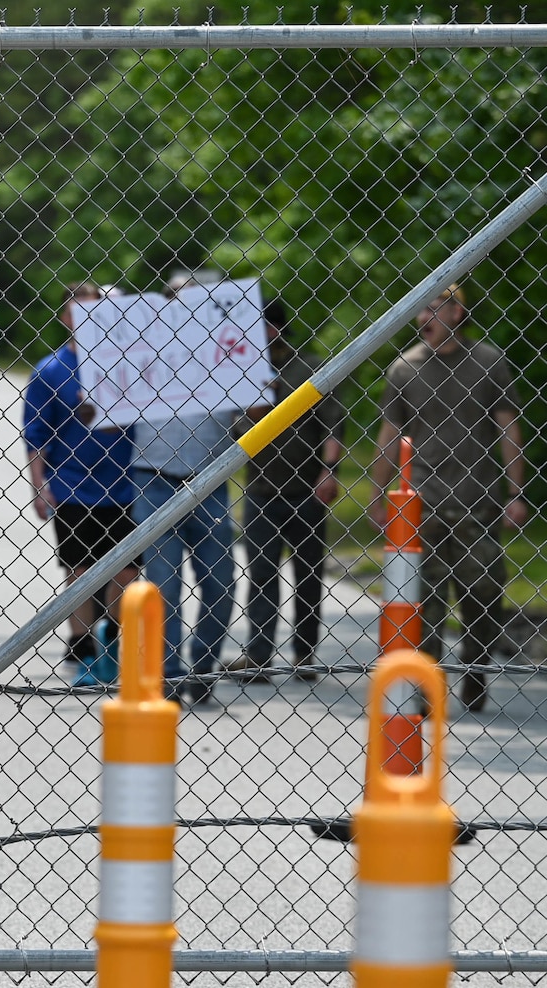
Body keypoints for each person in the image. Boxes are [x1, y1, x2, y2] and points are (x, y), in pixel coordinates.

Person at [367, 282, 525, 713]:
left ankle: (475, 671)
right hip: (423, 504)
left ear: (457, 312)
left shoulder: (488, 362)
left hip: (478, 502)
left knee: (484, 594)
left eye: (433, 309)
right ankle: (427, 687)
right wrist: (378, 495)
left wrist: (515, 491)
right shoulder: (404, 369)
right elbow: (389, 437)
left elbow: (508, 427)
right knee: (427, 602)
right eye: (420, 312)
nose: (423, 319)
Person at [127, 274, 239, 705]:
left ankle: (204, 667)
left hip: (210, 482)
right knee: (164, 585)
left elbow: (248, 420)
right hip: (152, 479)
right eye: (174, 296)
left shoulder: (229, 352)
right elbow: (108, 403)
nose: (183, 304)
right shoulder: (141, 349)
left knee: (221, 583)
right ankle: (169, 677)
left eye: (194, 297)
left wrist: (257, 402)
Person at [25, 281, 140, 686]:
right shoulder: (51, 369)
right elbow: (36, 434)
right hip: (72, 484)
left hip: (127, 483)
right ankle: (83, 645)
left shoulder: (129, 362)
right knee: (79, 569)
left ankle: (110, 633)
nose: (88, 320)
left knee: (125, 571)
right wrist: (40, 486)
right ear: (65, 318)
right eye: (78, 312)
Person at [225, 298, 345, 682]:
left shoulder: (309, 369)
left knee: (308, 575)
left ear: (275, 330)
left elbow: (333, 425)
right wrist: (257, 406)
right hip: (261, 492)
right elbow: (237, 432)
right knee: (261, 575)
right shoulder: (242, 371)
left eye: (264, 328)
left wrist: (329, 471)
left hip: (306, 490)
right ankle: (258, 657)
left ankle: (304, 656)